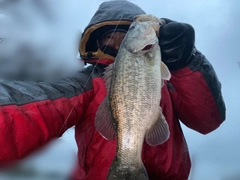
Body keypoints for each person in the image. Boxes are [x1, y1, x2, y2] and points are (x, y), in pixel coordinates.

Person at [0, 0, 226, 180]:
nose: (118, 43)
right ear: (95, 43)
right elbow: (32, 108)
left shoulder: (169, 77)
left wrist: (187, 60)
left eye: (126, 32)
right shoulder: (85, 83)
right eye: (110, 36)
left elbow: (208, 120)